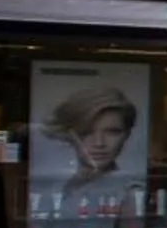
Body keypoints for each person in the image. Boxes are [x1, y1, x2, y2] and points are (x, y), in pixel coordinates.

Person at [44, 84, 140, 212]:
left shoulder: (130, 193)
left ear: (126, 134)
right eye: (87, 132)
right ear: (70, 135)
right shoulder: (56, 187)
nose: (99, 143)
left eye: (112, 132)